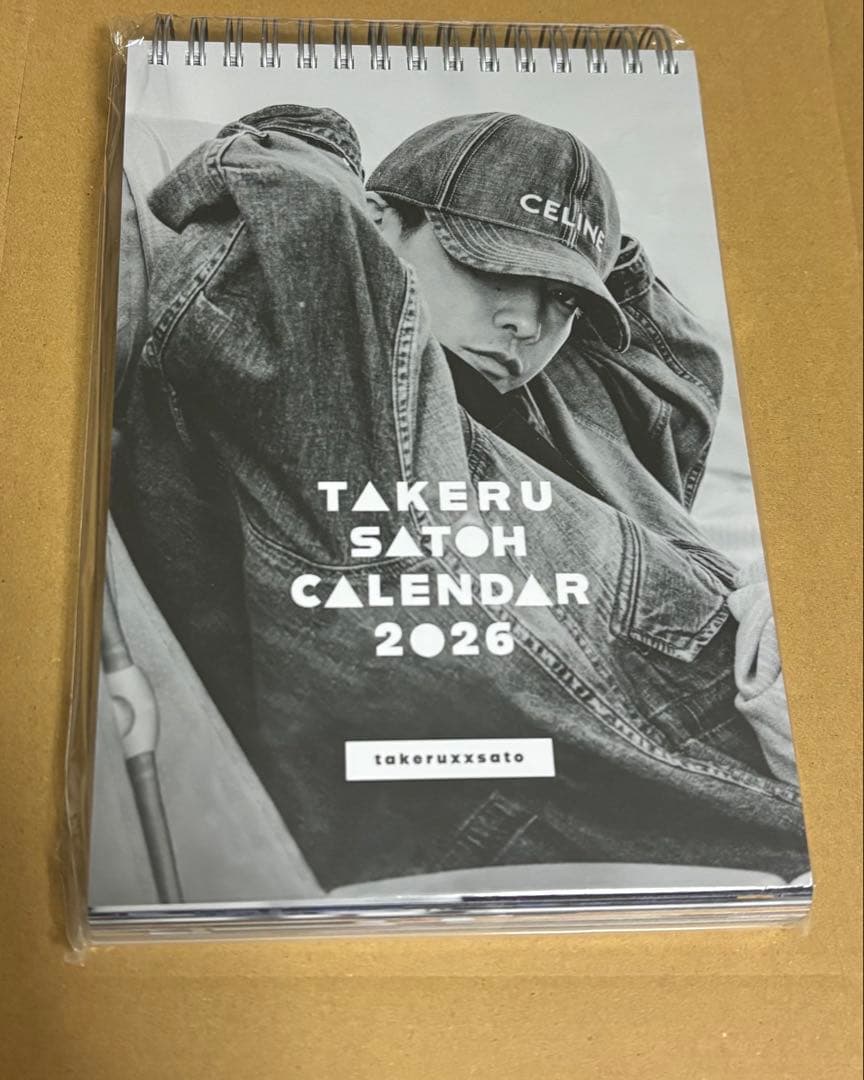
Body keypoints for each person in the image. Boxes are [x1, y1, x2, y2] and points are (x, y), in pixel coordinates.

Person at [111, 104, 807, 890]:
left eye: (562, 299)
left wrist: (580, 246)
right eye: (492, 269)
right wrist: (324, 147)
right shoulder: (350, 397)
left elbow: (671, 381)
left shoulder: (549, 404)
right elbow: (292, 204)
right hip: (658, 787)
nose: (526, 324)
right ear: (377, 222)